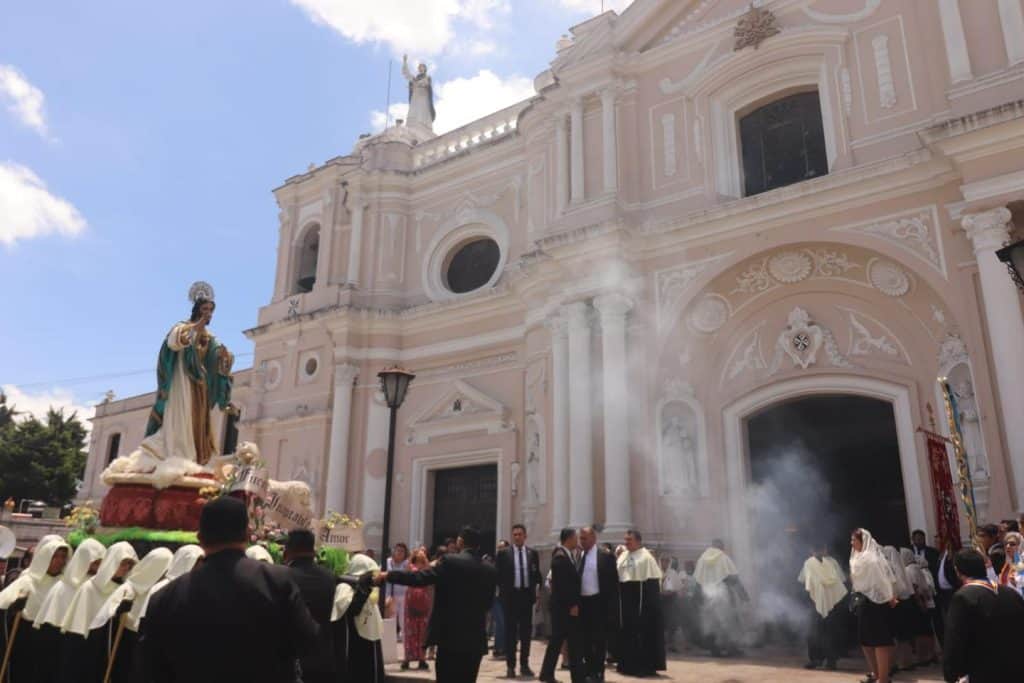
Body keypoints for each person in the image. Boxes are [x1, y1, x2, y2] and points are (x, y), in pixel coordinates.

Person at [141, 496, 319, 683]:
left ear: (200, 538)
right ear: (247, 534)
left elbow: (151, 669)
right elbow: (309, 643)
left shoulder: (165, 597)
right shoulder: (277, 582)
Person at [103, 283, 237, 488]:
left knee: (196, 421)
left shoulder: (210, 339)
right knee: (179, 414)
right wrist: (194, 329)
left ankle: (191, 454)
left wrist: (224, 358)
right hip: (181, 381)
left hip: (199, 387)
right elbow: (174, 342)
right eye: (204, 310)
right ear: (197, 310)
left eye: (210, 311)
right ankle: (174, 450)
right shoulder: (182, 327)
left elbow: (217, 357)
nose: (208, 314)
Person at [378, 526, 497, 683]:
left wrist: (388, 575)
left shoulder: (450, 561)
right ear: (478, 546)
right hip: (474, 638)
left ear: (460, 542)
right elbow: (488, 604)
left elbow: (420, 578)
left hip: (449, 637)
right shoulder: (490, 569)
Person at [89, 547, 174, 683]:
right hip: (123, 643)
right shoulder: (128, 589)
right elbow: (104, 620)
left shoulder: (161, 591)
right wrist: (118, 611)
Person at [60, 542, 138, 683]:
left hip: (112, 650)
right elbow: (79, 627)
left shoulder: (126, 590)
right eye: (123, 563)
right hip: (87, 650)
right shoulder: (90, 588)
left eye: (129, 565)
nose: (126, 569)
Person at [943, 548, 1024, 683]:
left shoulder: (963, 597)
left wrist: (951, 673)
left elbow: (955, 639)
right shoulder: (1010, 593)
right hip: (1016, 670)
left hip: (984, 672)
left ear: (957, 571)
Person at [32, 538, 106, 683]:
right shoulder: (62, 588)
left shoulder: (99, 587)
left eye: (100, 563)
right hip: (59, 646)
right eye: (94, 563)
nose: (97, 567)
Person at [0, 537, 69, 682]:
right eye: (54, 556)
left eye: (63, 557)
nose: (59, 561)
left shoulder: (64, 584)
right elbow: (3, 606)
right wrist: (13, 609)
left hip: (53, 640)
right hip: (27, 640)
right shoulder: (27, 580)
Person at [283, 529, 338, 683]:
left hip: (294, 660)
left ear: (289, 550)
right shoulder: (329, 576)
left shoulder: (283, 576)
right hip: (324, 657)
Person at [616, 529, 666, 677]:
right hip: (625, 602)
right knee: (626, 633)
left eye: (629, 540)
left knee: (642, 635)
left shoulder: (646, 557)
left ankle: (643, 666)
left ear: (638, 541)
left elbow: (651, 584)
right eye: (625, 540)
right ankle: (627, 664)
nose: (626, 543)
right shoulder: (624, 555)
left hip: (641, 603)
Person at [850, 529, 897, 683]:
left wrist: (889, 596)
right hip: (864, 601)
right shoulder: (856, 558)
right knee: (866, 641)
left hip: (877, 603)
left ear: (863, 541)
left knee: (880, 641)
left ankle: (883, 678)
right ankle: (876, 673)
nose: (851, 543)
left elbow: (882, 581)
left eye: (854, 540)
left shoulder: (872, 559)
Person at [495, 523, 542, 678]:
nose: (517, 537)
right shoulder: (503, 554)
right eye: (514, 534)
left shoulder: (532, 553)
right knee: (510, 632)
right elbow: (498, 575)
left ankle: (524, 664)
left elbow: (537, 576)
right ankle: (510, 666)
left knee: (526, 632)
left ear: (525, 536)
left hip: (526, 597)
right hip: (510, 597)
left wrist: (537, 593)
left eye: (519, 534)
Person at [331, 553, 384, 683]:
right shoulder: (345, 586)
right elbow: (349, 609)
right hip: (354, 640)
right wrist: (362, 590)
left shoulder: (368, 587)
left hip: (370, 637)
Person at [540, 528, 582, 683]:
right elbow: (564, 586)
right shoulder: (560, 558)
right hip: (564, 609)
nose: (577, 541)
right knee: (569, 642)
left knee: (558, 642)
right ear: (569, 539)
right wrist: (573, 604)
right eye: (575, 538)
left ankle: (547, 673)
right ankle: (576, 677)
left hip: (562, 608)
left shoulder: (566, 555)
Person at [693, 539, 748, 658]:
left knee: (711, 623)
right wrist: (744, 596)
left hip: (706, 595)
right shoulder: (723, 557)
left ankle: (715, 650)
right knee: (729, 622)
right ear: (721, 547)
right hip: (723, 595)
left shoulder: (702, 558)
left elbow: (697, 581)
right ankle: (731, 649)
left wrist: (696, 598)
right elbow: (734, 578)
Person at [577, 526, 618, 683]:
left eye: (585, 538)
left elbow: (613, 585)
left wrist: (612, 608)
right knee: (585, 640)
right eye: (581, 538)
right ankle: (589, 670)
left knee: (599, 640)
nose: (582, 541)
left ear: (594, 538)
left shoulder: (605, 556)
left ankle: (599, 672)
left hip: (599, 603)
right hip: (583, 604)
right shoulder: (579, 556)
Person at [798, 545, 848, 670]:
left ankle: (830, 660)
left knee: (829, 632)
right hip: (815, 602)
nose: (818, 552)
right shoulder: (809, 563)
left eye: (820, 549)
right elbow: (805, 581)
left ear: (825, 550)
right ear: (812, 551)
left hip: (831, 602)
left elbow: (840, 581)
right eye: (816, 550)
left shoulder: (831, 562)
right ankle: (816, 659)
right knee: (814, 631)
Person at [900, 547, 936, 668]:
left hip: (918, 603)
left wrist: (920, 603)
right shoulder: (916, 567)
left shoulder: (909, 569)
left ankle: (923, 656)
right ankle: (930, 654)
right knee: (926, 630)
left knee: (920, 631)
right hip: (923, 602)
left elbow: (915, 588)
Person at [403, 549, 433, 671]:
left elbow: (430, 572)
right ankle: (407, 659)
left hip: (423, 602)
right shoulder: (411, 567)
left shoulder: (427, 568)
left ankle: (422, 659)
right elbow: (407, 571)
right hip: (411, 602)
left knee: (423, 632)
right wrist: (413, 556)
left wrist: (425, 560)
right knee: (410, 631)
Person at [386, 543, 410, 642]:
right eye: (398, 550)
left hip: (403, 595)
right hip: (390, 595)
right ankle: (391, 639)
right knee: (391, 617)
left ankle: (404, 640)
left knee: (403, 619)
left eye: (402, 551)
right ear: (394, 551)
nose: (399, 553)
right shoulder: (387, 562)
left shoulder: (406, 564)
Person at [490, 539, 509, 659]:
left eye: (502, 548)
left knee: (502, 623)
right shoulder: (495, 564)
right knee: (500, 622)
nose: (500, 550)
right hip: (496, 597)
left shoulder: (509, 563)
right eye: (499, 548)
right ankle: (499, 648)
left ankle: (500, 648)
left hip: (506, 597)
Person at [660, 556, 682, 653]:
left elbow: (678, 587)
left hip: (671, 600)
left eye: (666, 561)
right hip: (660, 599)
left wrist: (671, 593)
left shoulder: (673, 573)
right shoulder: (656, 572)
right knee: (661, 623)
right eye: (662, 561)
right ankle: (661, 644)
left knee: (671, 622)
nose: (664, 563)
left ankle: (671, 644)